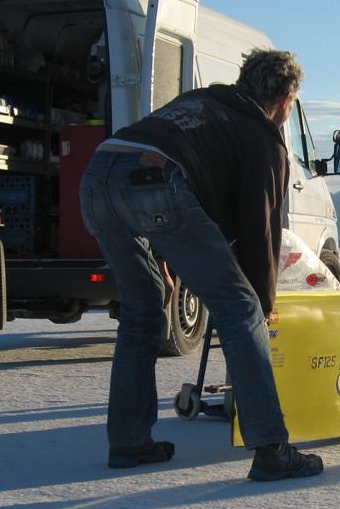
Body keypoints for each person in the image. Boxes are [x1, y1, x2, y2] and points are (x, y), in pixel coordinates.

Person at [79, 49, 323, 481]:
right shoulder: (263, 135)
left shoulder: (201, 101)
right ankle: (271, 449)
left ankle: (129, 441)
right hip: (155, 183)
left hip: (98, 177)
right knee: (240, 309)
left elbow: (179, 172)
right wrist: (262, 302)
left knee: (141, 310)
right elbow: (259, 227)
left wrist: (164, 253)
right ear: (286, 100)